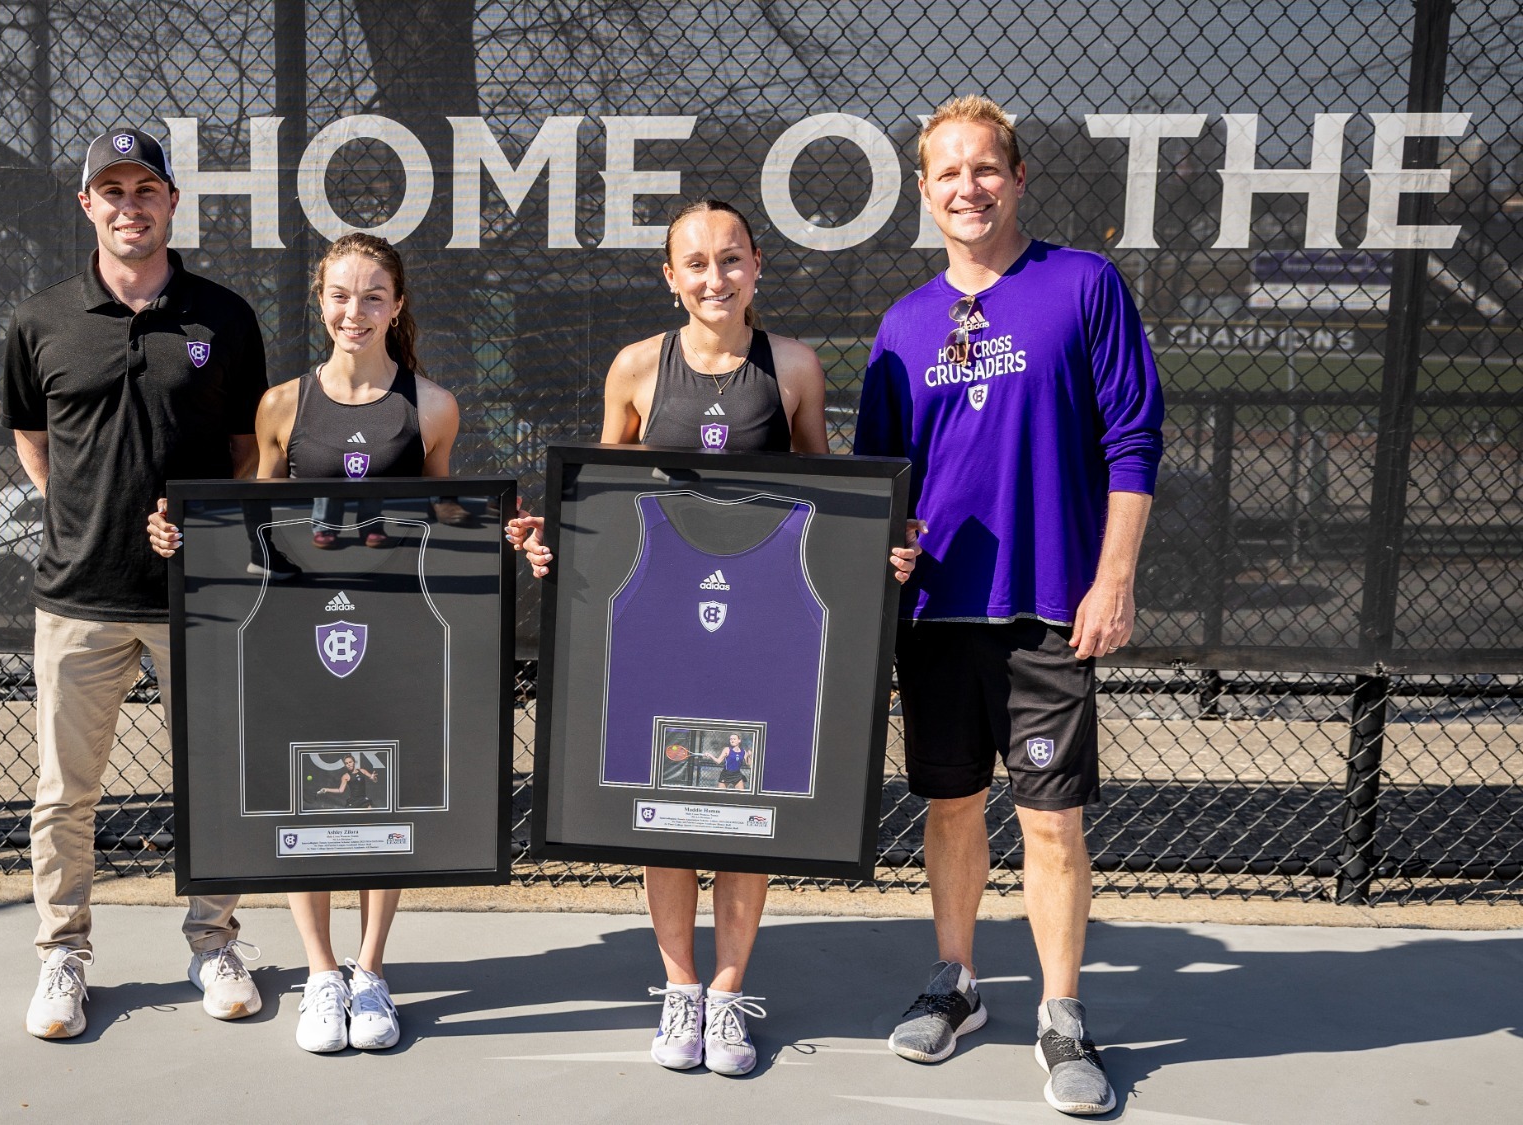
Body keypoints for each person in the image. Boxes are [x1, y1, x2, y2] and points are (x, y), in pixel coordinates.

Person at [507, 199, 920, 1078]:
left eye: (730, 259)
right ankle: (680, 987)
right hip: (664, 627)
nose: (715, 277)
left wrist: (878, 549)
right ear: (670, 277)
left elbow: (827, 499)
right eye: (695, 263)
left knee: (746, 810)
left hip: (761, 626)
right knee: (664, 812)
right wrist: (551, 541)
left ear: (757, 266)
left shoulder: (793, 366)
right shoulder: (635, 367)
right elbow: (599, 500)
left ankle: (729, 992)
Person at [854, 96, 1161, 1117]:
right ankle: (956, 983)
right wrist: (887, 549)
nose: (967, 187)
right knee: (948, 807)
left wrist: (1112, 578)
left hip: (1046, 608)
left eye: (984, 168)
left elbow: (1132, 440)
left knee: (1051, 820)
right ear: (923, 191)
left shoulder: (1083, 285)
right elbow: (880, 481)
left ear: (1018, 177)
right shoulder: (903, 325)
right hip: (938, 614)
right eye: (946, 172)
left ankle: (1062, 1015)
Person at [151, 232, 459, 1055]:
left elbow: (445, 520)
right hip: (301, 635)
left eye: (372, 296)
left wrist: (501, 530)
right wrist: (187, 534)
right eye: (340, 295)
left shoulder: (432, 406)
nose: (354, 311)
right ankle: (322, 973)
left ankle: (370, 969)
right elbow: (255, 526)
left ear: (397, 305)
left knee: (384, 798)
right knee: (309, 798)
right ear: (320, 302)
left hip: (393, 636)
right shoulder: (282, 404)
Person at [1, 128, 269, 1040]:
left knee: (215, 782)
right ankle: (62, 955)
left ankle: (215, 942)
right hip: (77, 597)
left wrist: (206, 527)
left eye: (145, 189)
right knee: (65, 794)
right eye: (111, 191)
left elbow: (247, 452)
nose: (129, 206)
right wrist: (80, 511)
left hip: (198, 599)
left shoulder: (223, 317)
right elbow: (32, 436)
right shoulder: (41, 320)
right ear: (88, 205)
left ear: (171, 203)